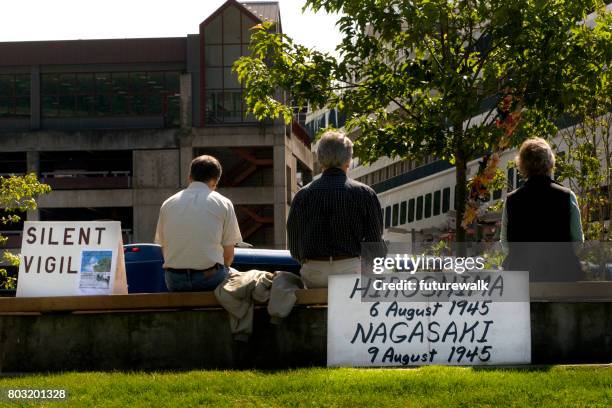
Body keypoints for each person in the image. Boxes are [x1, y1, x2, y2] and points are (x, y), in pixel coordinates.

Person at [287, 130, 385, 288]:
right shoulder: (365, 194)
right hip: (350, 270)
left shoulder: (302, 195)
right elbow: (375, 246)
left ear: (320, 160)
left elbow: (294, 247)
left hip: (314, 273)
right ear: (348, 160)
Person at [501, 137, 584, 281]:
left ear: (522, 164)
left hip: (523, 279)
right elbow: (577, 242)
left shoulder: (511, 200)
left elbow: (505, 244)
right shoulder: (567, 196)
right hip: (561, 276)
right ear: (550, 162)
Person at [155, 155, 242, 291]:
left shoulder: (168, 203)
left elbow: (164, 248)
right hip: (210, 279)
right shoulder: (223, 203)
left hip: (174, 281)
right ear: (215, 181)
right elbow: (228, 255)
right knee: (238, 277)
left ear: (190, 177)